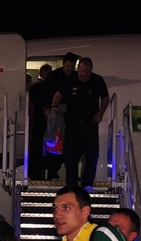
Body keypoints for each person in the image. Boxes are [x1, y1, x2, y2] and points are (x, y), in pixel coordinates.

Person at [47, 57, 109, 191]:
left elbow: (105, 97)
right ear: (78, 69)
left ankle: (87, 183)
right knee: (71, 155)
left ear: (91, 70)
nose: (84, 75)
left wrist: (101, 112)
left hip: (90, 123)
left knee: (92, 154)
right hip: (72, 124)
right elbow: (58, 94)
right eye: (82, 72)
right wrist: (53, 107)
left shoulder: (97, 80)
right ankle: (72, 184)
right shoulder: (71, 80)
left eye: (87, 72)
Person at [38, 52, 79, 181]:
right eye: (68, 66)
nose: (70, 69)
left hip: (70, 116)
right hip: (55, 114)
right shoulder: (53, 77)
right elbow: (44, 95)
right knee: (53, 144)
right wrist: (46, 109)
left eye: (72, 66)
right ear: (63, 64)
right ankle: (52, 173)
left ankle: (69, 175)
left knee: (70, 145)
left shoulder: (76, 77)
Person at [28, 63, 54, 180]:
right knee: (40, 150)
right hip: (40, 125)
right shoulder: (40, 88)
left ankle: (38, 174)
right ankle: (40, 175)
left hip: (39, 125)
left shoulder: (36, 88)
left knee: (39, 150)